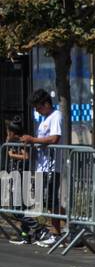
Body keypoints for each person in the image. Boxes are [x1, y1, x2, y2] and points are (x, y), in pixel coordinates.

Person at [27, 90, 65, 245]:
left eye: (38, 107)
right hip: (42, 165)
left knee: (51, 199)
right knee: (43, 200)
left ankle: (58, 232)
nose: (37, 110)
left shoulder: (56, 116)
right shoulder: (44, 119)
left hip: (52, 165)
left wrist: (33, 139)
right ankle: (52, 229)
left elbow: (55, 138)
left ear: (46, 104)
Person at [3, 116, 41, 244]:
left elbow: (26, 156)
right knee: (22, 208)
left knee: (17, 210)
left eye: (8, 132)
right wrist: (8, 140)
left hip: (21, 176)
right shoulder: (12, 141)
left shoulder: (21, 141)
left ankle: (39, 229)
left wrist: (12, 154)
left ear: (13, 132)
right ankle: (25, 234)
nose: (7, 134)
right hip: (15, 176)